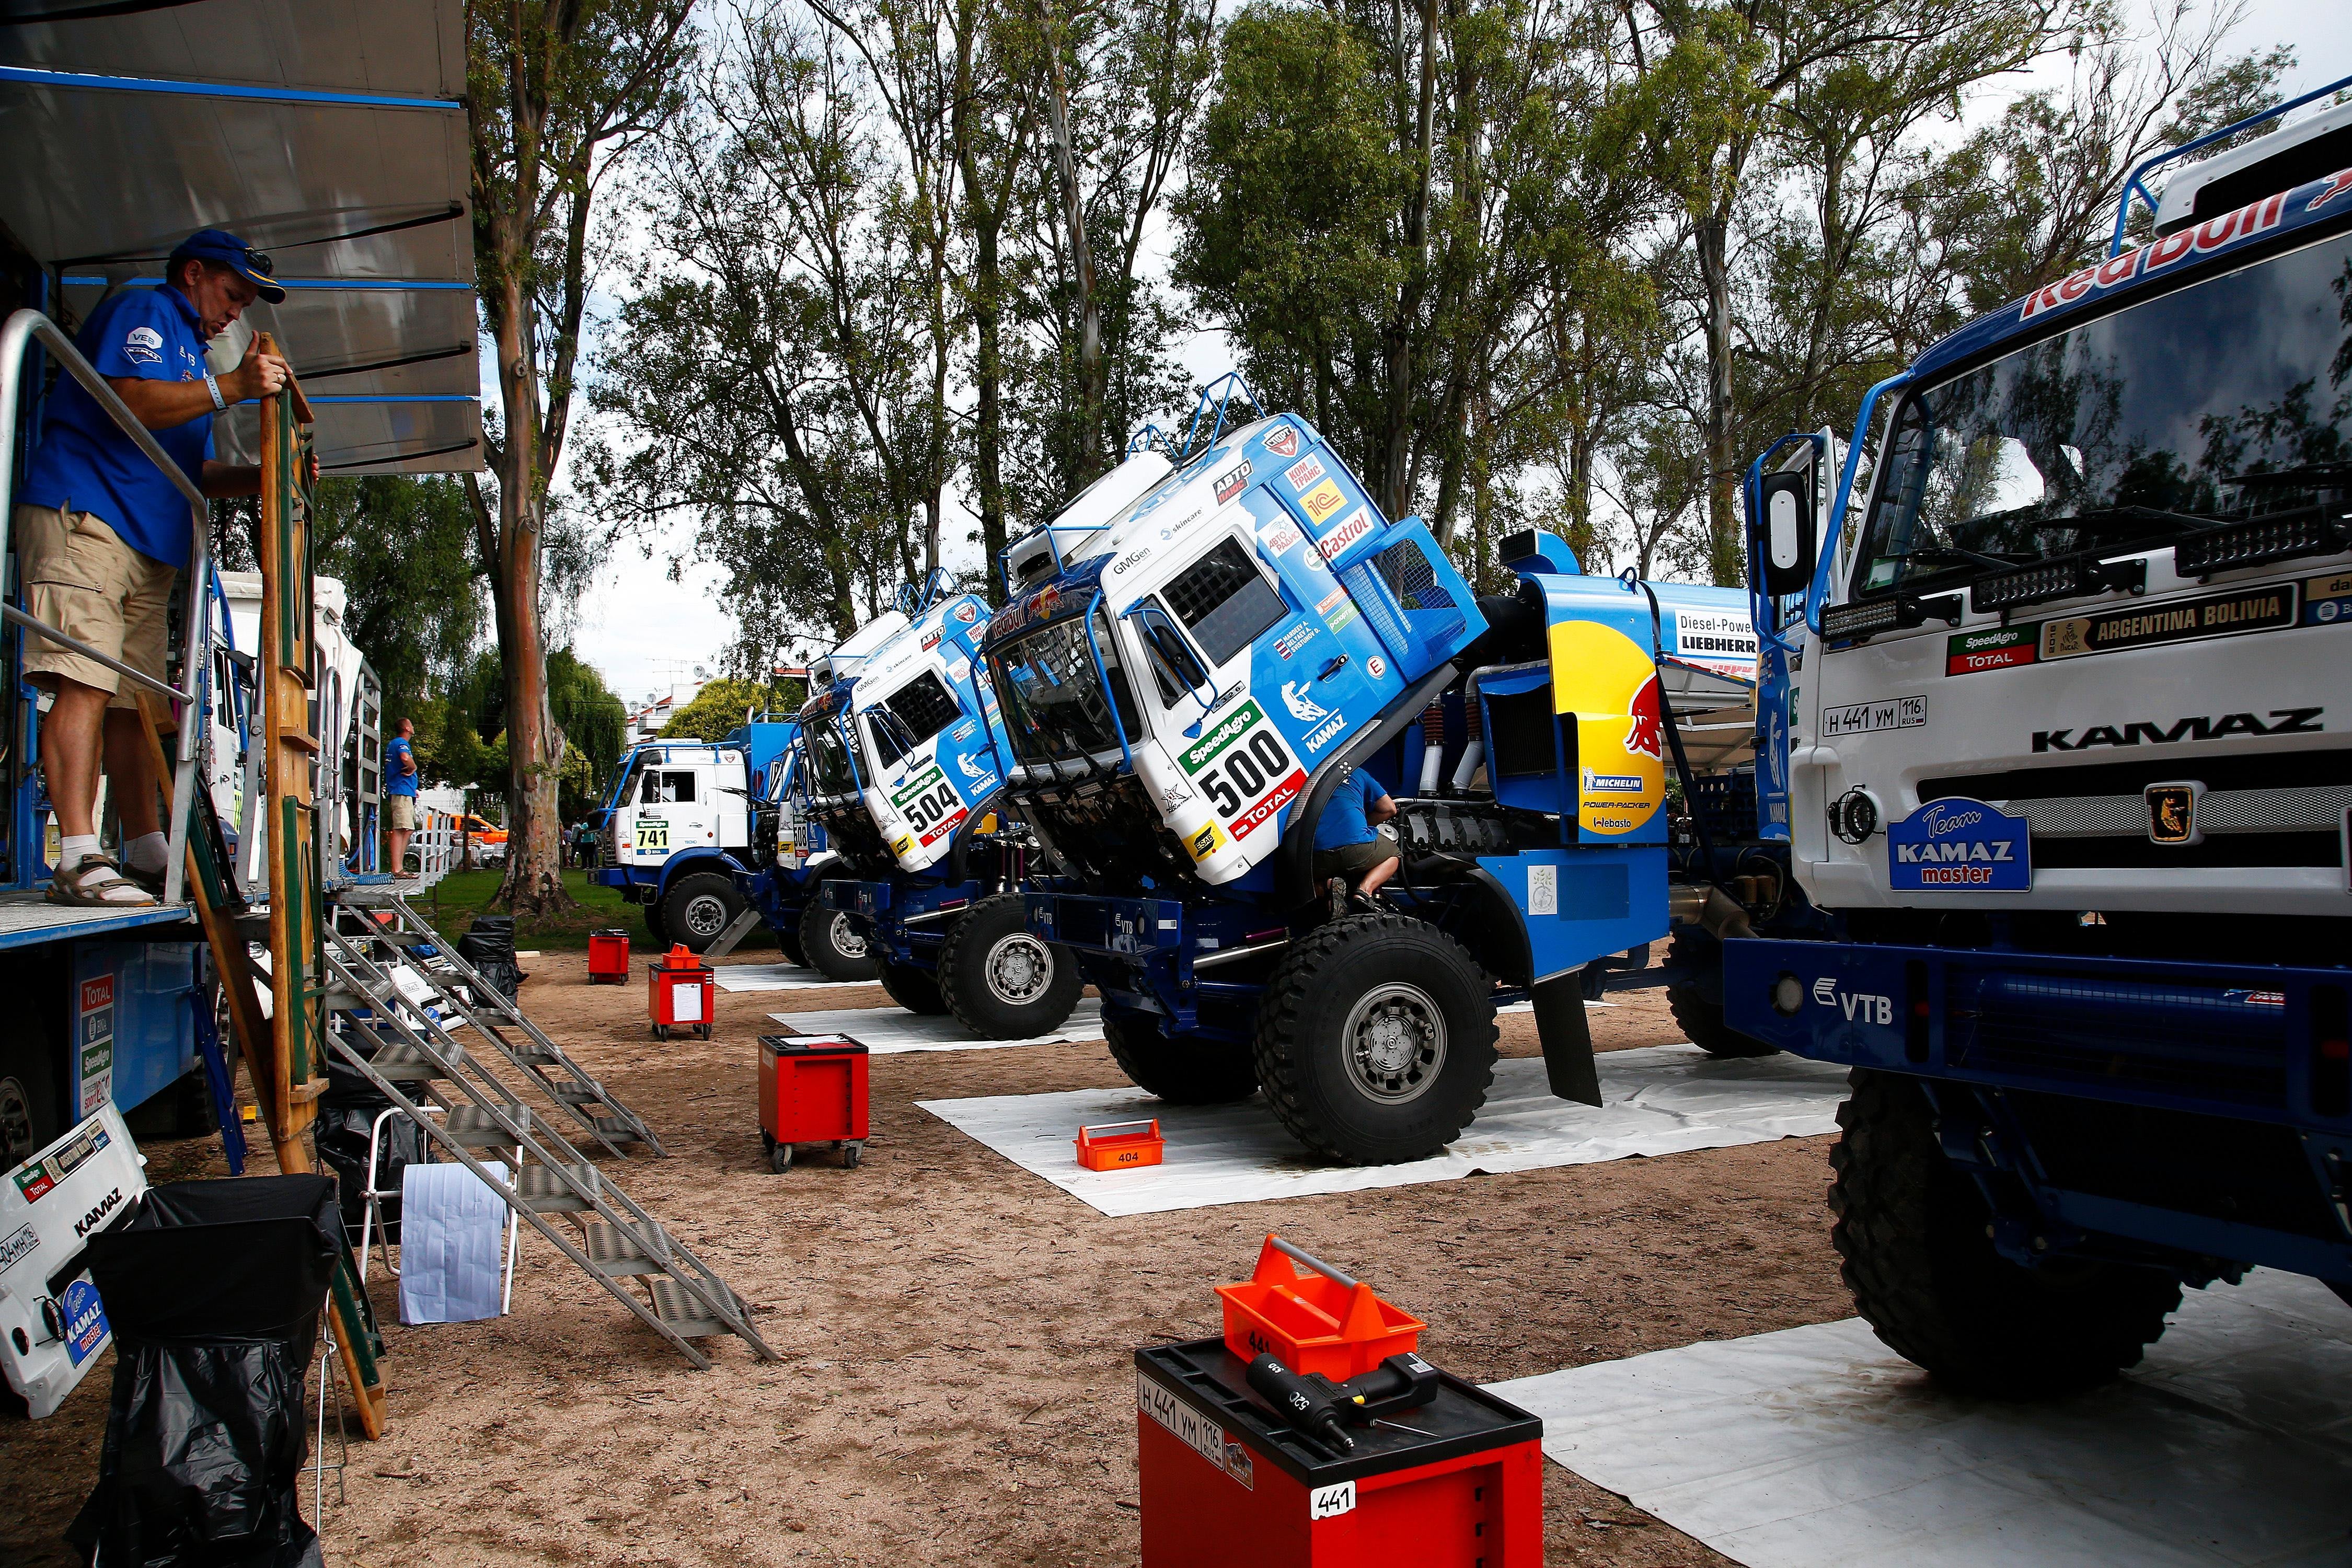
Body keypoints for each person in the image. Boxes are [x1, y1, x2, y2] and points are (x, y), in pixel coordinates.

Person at [17, 229, 289, 906]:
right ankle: (79, 854)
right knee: (83, 681)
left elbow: (186, 468)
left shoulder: (193, 362)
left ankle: (140, 846)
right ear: (193, 273)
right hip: (89, 516)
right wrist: (233, 386)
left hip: (146, 542)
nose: (235, 311)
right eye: (231, 294)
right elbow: (129, 400)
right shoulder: (148, 312)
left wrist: (265, 479)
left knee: (132, 703)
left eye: (245, 301)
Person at [1312, 764, 1400, 909]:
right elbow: (1390, 809)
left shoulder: (1309, 775)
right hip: (1356, 850)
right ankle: (1363, 892)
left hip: (1316, 856)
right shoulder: (1356, 772)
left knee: (1301, 882)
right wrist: (1366, 824)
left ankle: (1327, 888)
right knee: (1394, 853)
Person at [385, 718, 420, 875]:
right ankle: (397, 868)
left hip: (405, 791)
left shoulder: (395, 743)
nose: (413, 727)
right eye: (411, 724)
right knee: (401, 828)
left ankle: (398, 867)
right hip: (401, 791)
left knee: (407, 829)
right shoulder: (401, 743)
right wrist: (414, 767)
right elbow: (405, 758)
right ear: (406, 728)